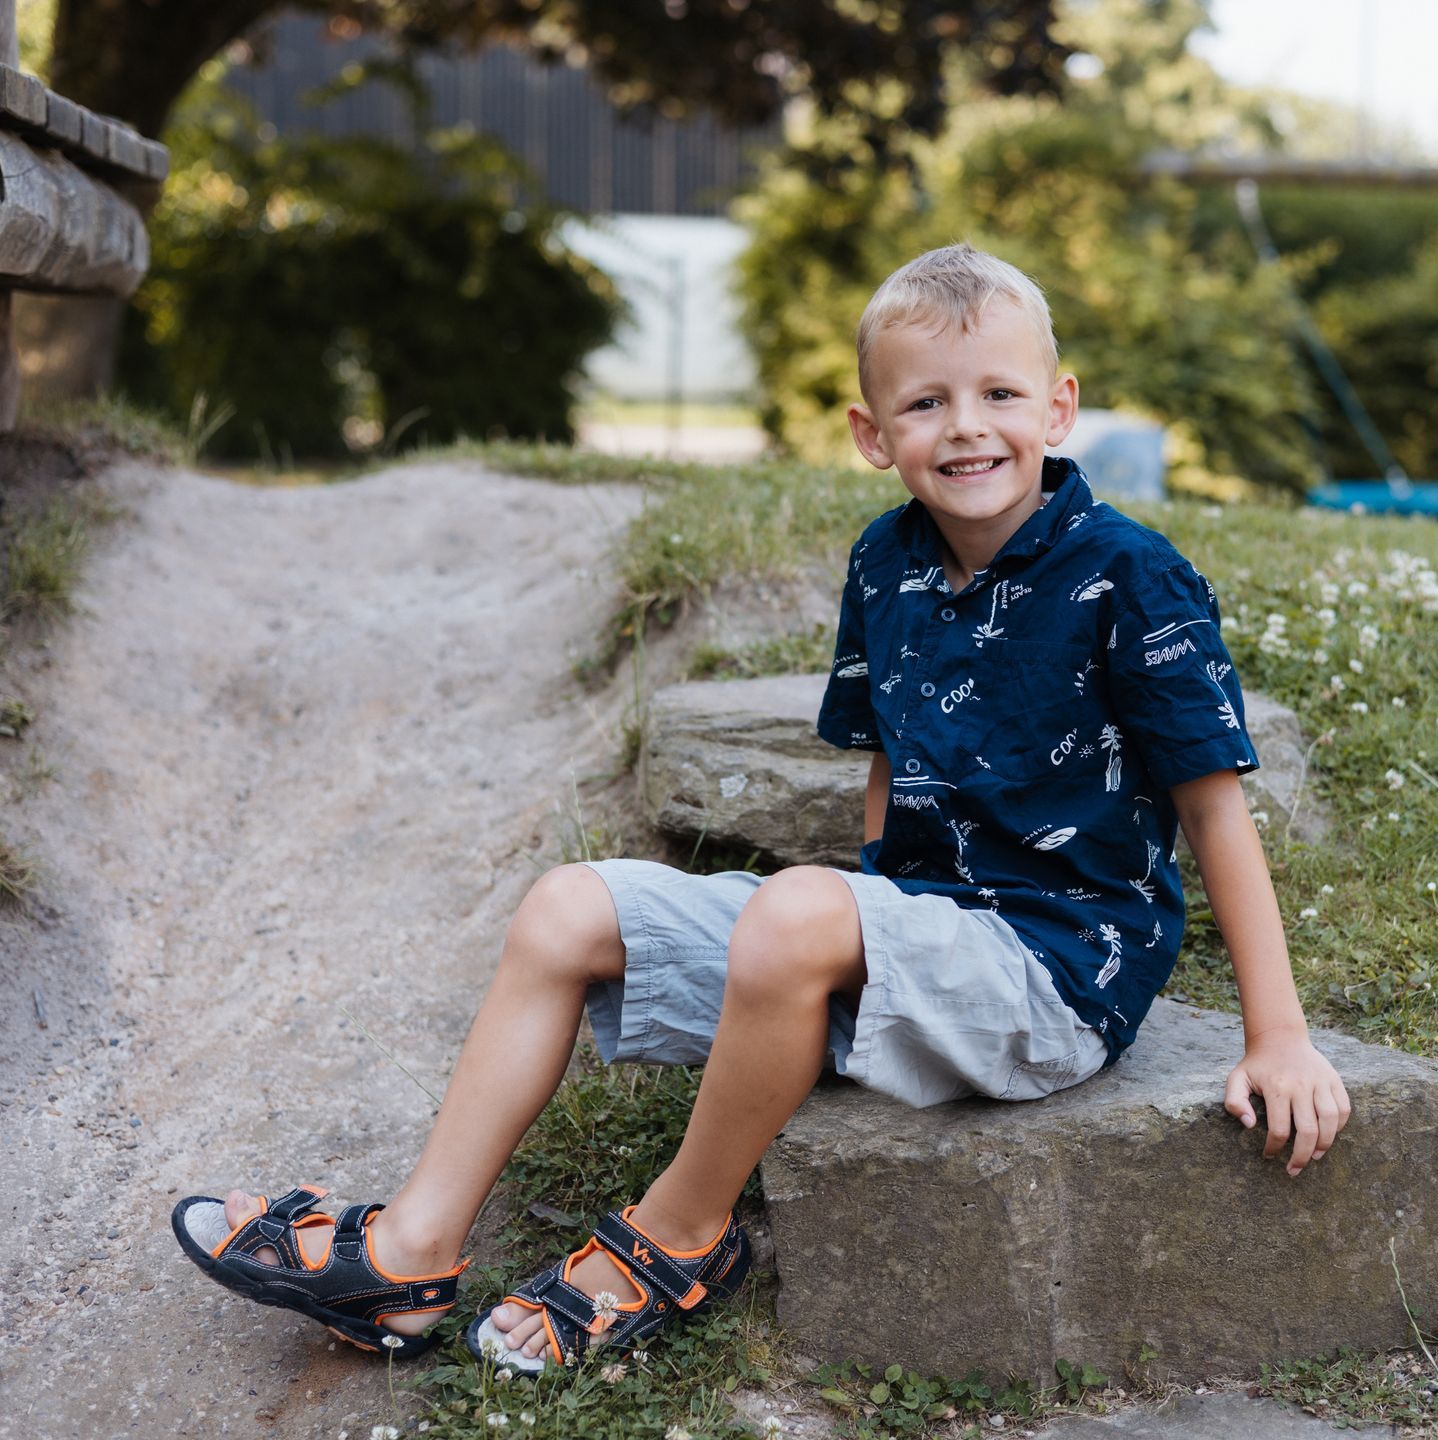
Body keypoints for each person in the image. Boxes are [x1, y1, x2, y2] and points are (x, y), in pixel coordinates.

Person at [172, 242, 1351, 1373]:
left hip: (1056, 972)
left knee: (799, 913)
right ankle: (409, 1259)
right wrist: (847, 941)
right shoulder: (886, 562)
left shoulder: (1129, 573)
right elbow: (891, 762)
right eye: (927, 403)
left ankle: (681, 1233)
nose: (967, 426)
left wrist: (1278, 1036)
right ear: (871, 435)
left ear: (1057, 408)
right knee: (565, 908)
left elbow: (1214, 810)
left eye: (999, 391)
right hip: (919, 926)